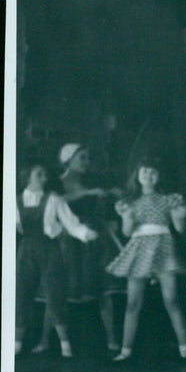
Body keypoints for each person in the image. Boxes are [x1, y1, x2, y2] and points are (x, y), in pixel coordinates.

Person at [34, 143, 122, 355]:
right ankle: (45, 340)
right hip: (68, 241)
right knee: (54, 291)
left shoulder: (91, 182)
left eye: (88, 158)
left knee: (103, 289)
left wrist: (110, 195)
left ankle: (112, 339)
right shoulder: (57, 183)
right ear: (68, 160)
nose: (86, 162)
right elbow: (52, 204)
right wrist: (86, 194)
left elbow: (104, 209)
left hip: (93, 239)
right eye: (82, 158)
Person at [106, 157, 186, 363]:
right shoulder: (130, 202)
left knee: (171, 299)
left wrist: (180, 217)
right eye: (144, 171)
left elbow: (180, 230)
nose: (149, 175)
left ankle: (185, 349)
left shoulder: (168, 199)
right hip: (139, 249)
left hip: (163, 247)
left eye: (153, 172)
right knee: (133, 302)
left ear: (159, 176)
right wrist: (127, 217)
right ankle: (125, 351)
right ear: (137, 175)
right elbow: (127, 232)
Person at [15, 160, 98, 357]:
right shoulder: (15, 201)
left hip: (50, 250)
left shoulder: (53, 199)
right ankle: (16, 344)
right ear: (27, 178)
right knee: (22, 296)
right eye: (39, 175)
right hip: (26, 250)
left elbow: (71, 223)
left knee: (55, 296)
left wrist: (87, 234)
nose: (44, 178)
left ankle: (65, 345)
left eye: (45, 174)